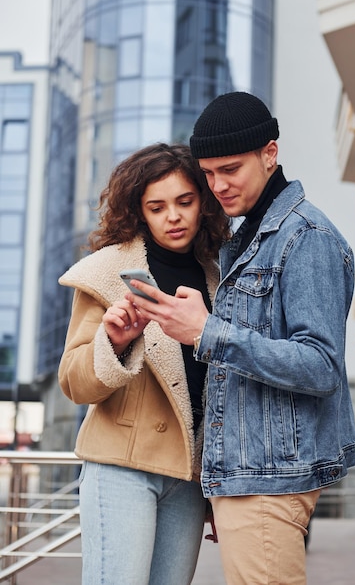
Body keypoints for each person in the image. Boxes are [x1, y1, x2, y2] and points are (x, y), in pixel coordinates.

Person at [126, 92, 355, 585]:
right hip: (247, 477)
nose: (218, 186)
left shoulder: (305, 237)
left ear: (269, 153)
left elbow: (321, 366)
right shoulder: (249, 238)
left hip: (270, 481)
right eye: (208, 174)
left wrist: (207, 332)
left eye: (230, 169)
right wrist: (220, 482)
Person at [57, 142, 230, 585]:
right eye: (157, 206)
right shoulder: (107, 273)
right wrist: (112, 343)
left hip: (186, 480)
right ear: (140, 212)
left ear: (203, 205)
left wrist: (215, 488)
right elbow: (73, 383)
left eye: (185, 202)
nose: (173, 216)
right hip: (120, 469)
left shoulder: (218, 278)